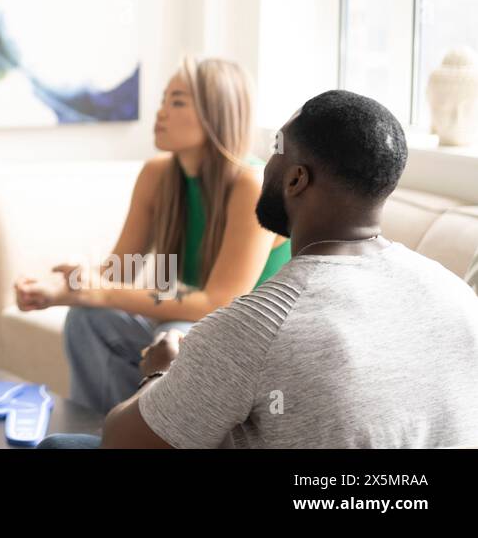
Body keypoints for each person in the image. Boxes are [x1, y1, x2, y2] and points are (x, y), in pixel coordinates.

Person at [73, 89, 478, 448]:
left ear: (296, 179)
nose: (265, 166)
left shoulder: (258, 324)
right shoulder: (455, 293)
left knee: (61, 444)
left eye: (276, 153)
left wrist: (159, 375)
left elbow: (122, 443)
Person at [14, 56, 289, 413]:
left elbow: (218, 305)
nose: (160, 112)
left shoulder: (250, 185)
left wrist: (101, 292)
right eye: (163, 100)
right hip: (194, 328)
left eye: (177, 102)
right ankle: (103, 432)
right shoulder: (158, 174)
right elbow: (119, 273)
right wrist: (62, 291)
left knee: (173, 334)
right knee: (86, 318)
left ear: (217, 113)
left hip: (249, 342)